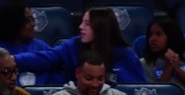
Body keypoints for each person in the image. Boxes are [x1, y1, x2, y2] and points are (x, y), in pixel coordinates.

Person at [14, 7, 146, 87]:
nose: (80, 27)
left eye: (87, 24)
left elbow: (136, 89)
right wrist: (14, 60)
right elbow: (46, 57)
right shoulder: (74, 45)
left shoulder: (125, 55)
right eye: (82, 22)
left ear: (100, 28)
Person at [0, 3, 64, 87]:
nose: (33, 24)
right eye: (28, 20)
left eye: (32, 19)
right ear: (13, 24)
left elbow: (59, 73)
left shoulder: (41, 46)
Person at [139, 18, 185, 95]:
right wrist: (168, 67)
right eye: (150, 35)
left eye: (158, 34)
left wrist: (178, 69)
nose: (152, 39)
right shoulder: (144, 63)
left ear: (171, 36)